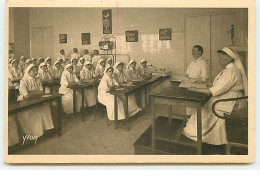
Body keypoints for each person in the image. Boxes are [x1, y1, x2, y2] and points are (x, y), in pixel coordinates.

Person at [183, 47, 248, 145]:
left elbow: (214, 91)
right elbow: (219, 86)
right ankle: (211, 136)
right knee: (206, 104)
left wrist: (194, 89)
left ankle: (199, 135)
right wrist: (206, 85)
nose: (220, 59)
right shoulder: (228, 70)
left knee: (206, 107)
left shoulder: (231, 72)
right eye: (220, 57)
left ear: (230, 58)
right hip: (228, 97)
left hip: (232, 101)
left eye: (222, 57)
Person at [17, 64, 54, 137]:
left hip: (37, 100)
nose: (36, 72)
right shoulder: (23, 81)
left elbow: (41, 91)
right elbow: (26, 96)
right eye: (34, 70)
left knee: (45, 109)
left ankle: (45, 130)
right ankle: (34, 134)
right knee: (33, 113)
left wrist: (32, 93)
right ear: (29, 72)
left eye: (36, 70)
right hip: (26, 102)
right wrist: (36, 92)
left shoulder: (38, 79)